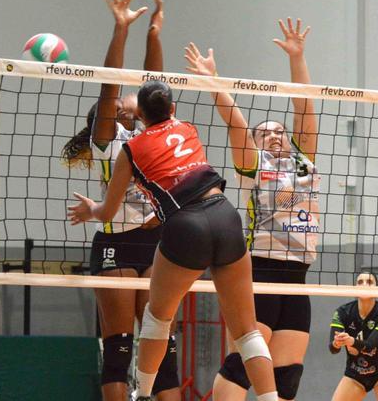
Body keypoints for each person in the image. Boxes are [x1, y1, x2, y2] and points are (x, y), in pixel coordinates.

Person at [68, 71, 278, 400]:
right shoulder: (186, 128)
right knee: (247, 331)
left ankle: (143, 394)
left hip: (186, 226)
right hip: (225, 215)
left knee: (157, 318)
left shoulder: (131, 150)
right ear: (173, 107)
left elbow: (107, 212)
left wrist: (91, 209)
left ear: (139, 116)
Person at [185, 18, 318, 401]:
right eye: (266, 132)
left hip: (298, 276)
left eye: (280, 130)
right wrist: (215, 81)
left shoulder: (304, 161)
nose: (275, 135)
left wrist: (297, 57)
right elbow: (235, 122)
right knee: (243, 366)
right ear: (257, 143)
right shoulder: (253, 165)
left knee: (287, 376)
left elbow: (304, 105)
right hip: (259, 270)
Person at [61, 0, 180, 401]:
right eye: (118, 105)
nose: (131, 100)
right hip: (114, 243)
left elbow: (156, 87)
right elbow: (111, 85)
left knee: (163, 349)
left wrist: (154, 35)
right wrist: (120, 29)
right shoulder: (108, 142)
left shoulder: (154, 135)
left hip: (158, 245)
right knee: (119, 349)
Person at [329, 272, 378, 401]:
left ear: (376, 289)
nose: (364, 285)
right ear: (355, 288)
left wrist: (351, 341)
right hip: (355, 374)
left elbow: (370, 346)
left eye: (369, 282)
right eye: (360, 282)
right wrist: (336, 343)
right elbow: (333, 349)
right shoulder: (342, 312)